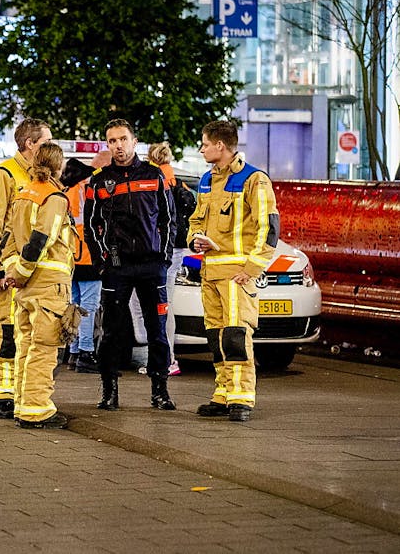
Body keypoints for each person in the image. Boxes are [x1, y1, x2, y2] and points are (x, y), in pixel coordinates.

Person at [84, 119, 176, 411]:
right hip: (117, 267)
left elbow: (169, 220)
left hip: (152, 266)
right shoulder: (99, 181)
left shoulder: (155, 176)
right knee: (111, 332)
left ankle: (160, 390)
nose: (118, 146)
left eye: (123, 139)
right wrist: (101, 262)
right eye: (112, 141)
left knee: (157, 332)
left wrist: (164, 256)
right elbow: (90, 224)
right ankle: (109, 391)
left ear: (135, 142)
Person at [190, 120, 279, 422]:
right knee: (216, 338)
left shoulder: (254, 179)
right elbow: (195, 221)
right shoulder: (206, 180)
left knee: (236, 337)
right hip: (210, 273)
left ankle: (242, 397)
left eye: (204, 143)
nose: (201, 148)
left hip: (236, 274)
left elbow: (269, 229)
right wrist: (194, 239)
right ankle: (223, 394)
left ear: (221, 146)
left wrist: (252, 268)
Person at [0, 118, 52, 419]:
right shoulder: (5, 174)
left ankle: (19, 392)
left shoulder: (40, 176)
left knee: (24, 333)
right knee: (5, 330)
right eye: (46, 141)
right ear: (30, 144)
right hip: (8, 267)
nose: (50, 146)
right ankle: (0, 392)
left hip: (28, 267)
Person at [4, 141, 78, 429]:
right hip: (48, 286)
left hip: (25, 289)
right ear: (59, 167)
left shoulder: (24, 194)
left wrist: (14, 272)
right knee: (44, 350)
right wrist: (22, 271)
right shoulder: (54, 197)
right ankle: (37, 409)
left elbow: (8, 240)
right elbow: (41, 240)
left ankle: (23, 404)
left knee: (25, 347)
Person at [149, 142, 197, 376]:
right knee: (165, 305)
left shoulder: (155, 181)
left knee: (160, 306)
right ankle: (166, 359)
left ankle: (166, 360)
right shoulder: (179, 181)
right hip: (179, 249)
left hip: (162, 251)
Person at [61, 153, 105, 374]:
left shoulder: (70, 187)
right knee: (88, 307)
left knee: (76, 304)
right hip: (88, 254)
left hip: (73, 255)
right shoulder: (89, 185)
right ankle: (86, 352)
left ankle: (75, 350)